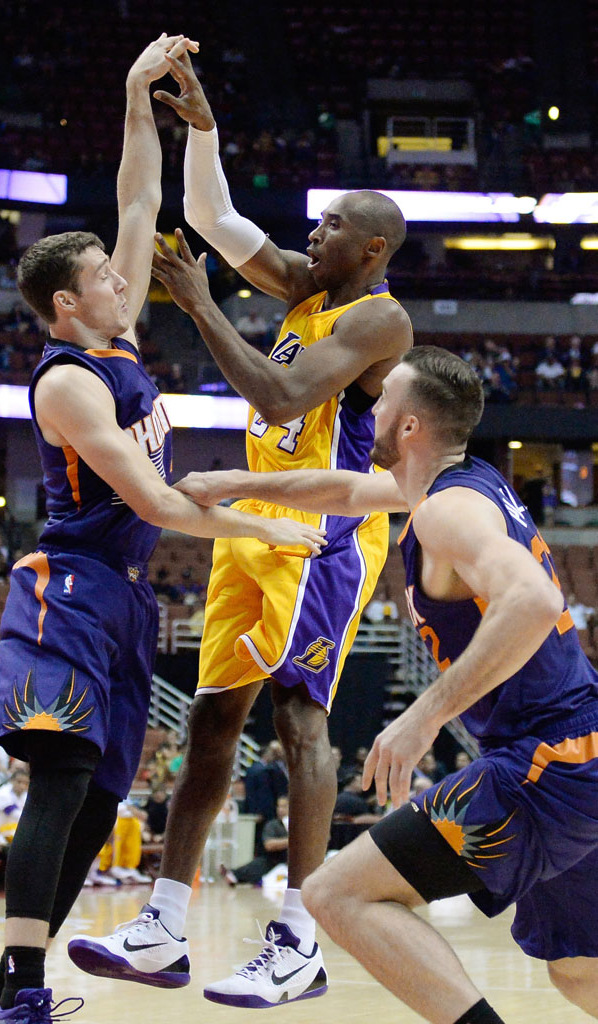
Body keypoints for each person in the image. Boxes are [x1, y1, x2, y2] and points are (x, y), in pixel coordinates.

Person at [0, 34, 325, 1024]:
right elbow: (159, 503)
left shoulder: (107, 336)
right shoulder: (70, 381)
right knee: (61, 777)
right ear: (66, 305)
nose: (130, 278)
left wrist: (133, 95)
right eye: (107, 281)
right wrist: (275, 531)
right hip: (64, 588)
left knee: (96, 796)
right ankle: (21, 990)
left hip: (120, 596)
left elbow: (134, 201)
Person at [69, 50, 412, 1009]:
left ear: (372, 249)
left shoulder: (381, 324)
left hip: (326, 529)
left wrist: (201, 305)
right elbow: (218, 222)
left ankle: (300, 938)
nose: (314, 229)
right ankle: (164, 925)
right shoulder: (308, 288)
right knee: (215, 716)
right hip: (249, 521)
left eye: (333, 223)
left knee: (299, 720)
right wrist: (204, 128)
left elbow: (278, 388)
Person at [177, 346, 598, 1024]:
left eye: (380, 404)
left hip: (547, 761)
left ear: (409, 427)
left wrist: (421, 717)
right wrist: (231, 481)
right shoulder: (453, 484)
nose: (367, 411)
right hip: (581, 751)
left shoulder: (444, 513)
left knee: (335, 896)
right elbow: (342, 492)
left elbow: (534, 602)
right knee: (579, 968)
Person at [221, 794, 290, 887]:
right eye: (279, 806)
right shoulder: (273, 825)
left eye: (284, 806)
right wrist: (290, 841)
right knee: (260, 865)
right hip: (274, 861)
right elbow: (269, 845)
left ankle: (234, 875)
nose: (281, 809)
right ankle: (234, 874)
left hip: (291, 864)